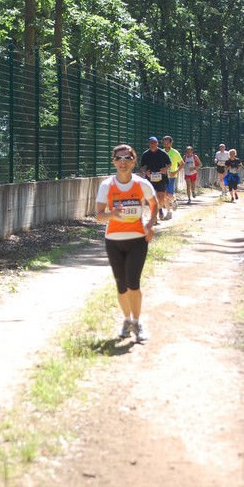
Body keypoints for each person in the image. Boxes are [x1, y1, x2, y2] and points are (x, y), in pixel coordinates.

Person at [95, 143, 158, 342]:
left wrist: (149, 224)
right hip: (113, 241)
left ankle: (137, 323)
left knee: (133, 283)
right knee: (121, 285)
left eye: (127, 158)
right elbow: (98, 216)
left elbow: (154, 203)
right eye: (119, 158)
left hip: (137, 240)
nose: (123, 162)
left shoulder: (141, 184)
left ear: (133, 161)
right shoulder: (107, 185)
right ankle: (127, 319)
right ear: (113, 161)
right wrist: (112, 213)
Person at [140, 136, 171, 221]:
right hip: (150, 178)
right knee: (151, 197)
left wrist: (165, 169)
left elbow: (169, 163)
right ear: (149, 144)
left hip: (161, 177)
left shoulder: (162, 153)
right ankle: (154, 216)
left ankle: (159, 208)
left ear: (157, 143)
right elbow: (141, 166)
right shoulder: (146, 154)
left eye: (154, 143)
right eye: (151, 143)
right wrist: (146, 172)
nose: (152, 144)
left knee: (161, 197)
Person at [162, 135, 184, 219]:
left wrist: (175, 171)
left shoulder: (175, 153)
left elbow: (182, 164)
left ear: (171, 143)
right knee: (164, 195)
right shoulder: (161, 152)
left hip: (171, 176)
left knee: (170, 194)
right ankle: (168, 212)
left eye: (167, 143)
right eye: (164, 143)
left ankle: (174, 200)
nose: (166, 145)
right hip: (163, 177)